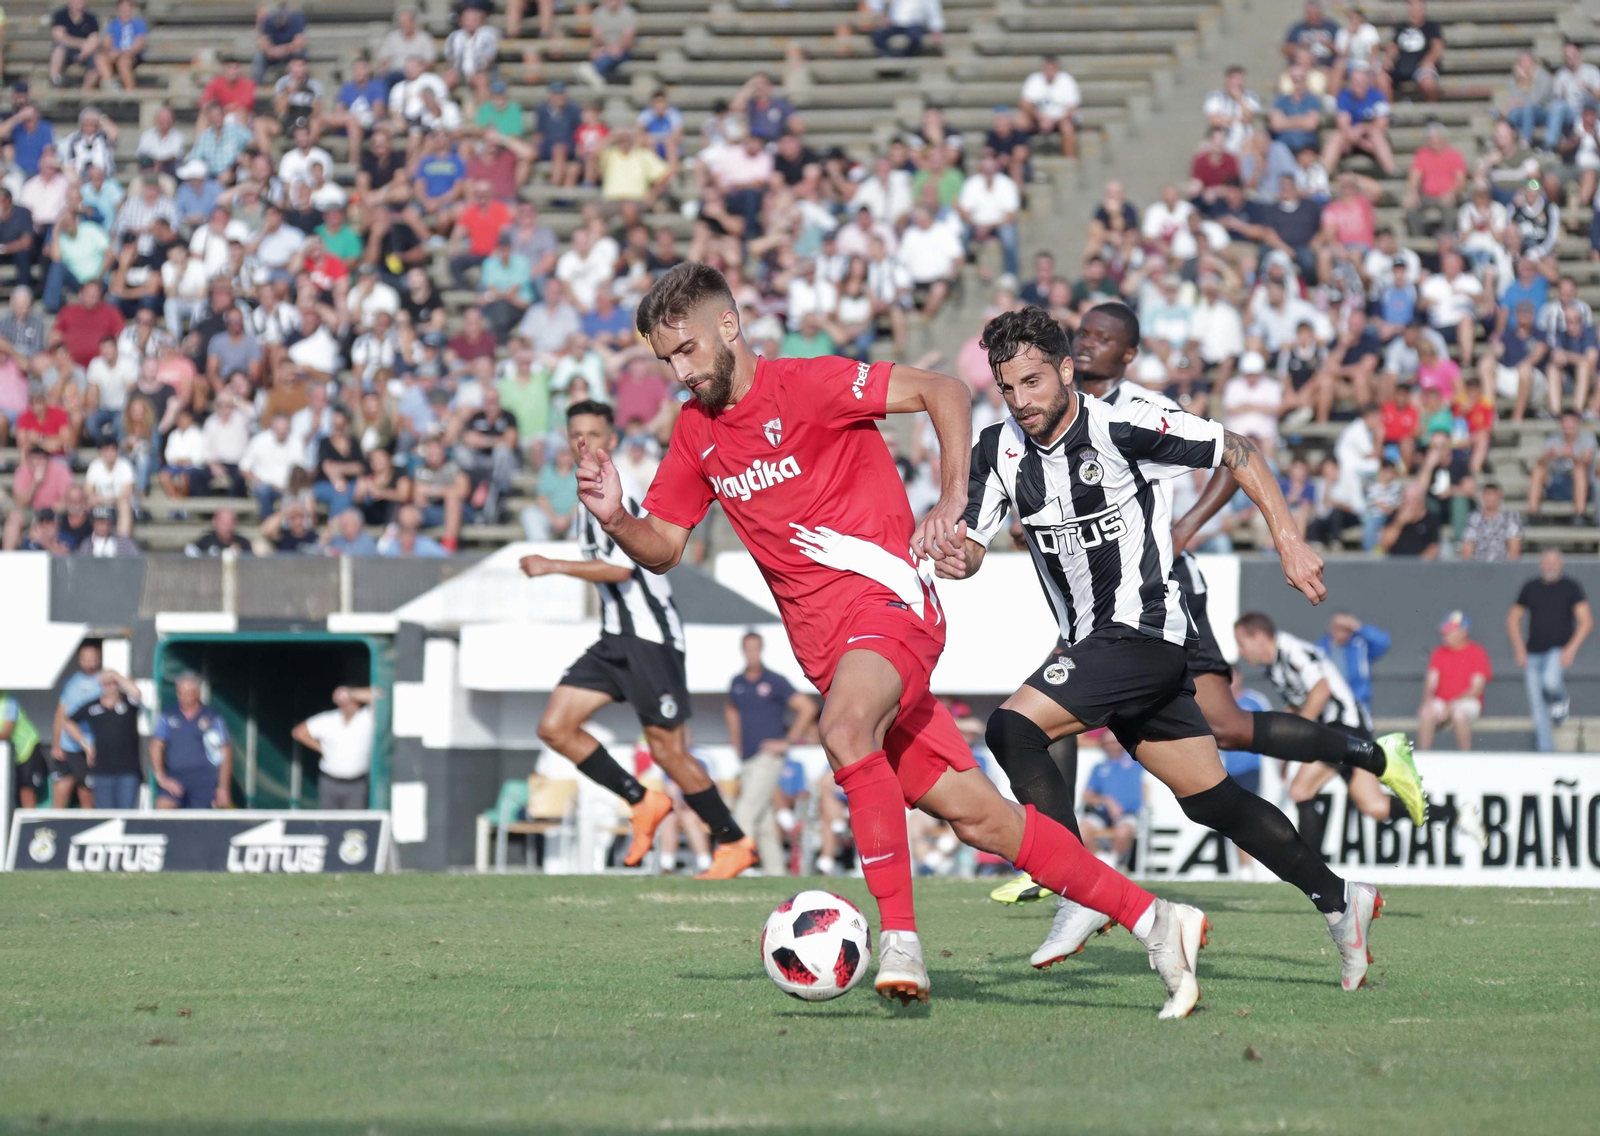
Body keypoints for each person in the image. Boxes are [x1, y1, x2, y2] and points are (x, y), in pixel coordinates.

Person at [585, 263, 1201, 1014]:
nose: (678, 372)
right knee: (983, 819)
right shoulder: (695, 433)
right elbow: (666, 546)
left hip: (890, 607)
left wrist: (952, 499)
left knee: (845, 732)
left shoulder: (809, 383)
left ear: (726, 326)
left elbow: (945, 390)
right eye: (665, 361)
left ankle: (899, 939)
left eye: (684, 351)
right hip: (830, 652)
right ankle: (1155, 918)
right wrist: (618, 518)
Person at [942, 304, 1406, 997]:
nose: (1023, 401)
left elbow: (1239, 448)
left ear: (1067, 371)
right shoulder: (997, 449)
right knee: (1213, 801)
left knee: (1012, 728)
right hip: (1099, 644)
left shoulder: (1123, 424)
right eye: (1008, 388)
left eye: (1034, 382)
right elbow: (975, 543)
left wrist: (1286, 538)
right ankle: (1341, 900)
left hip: (1147, 633)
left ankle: (1077, 890)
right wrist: (957, 556)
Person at [520, 399, 755, 878]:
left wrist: (552, 565)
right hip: (614, 640)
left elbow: (621, 568)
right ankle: (642, 800)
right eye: (575, 435)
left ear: (612, 442)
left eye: (594, 434)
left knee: (670, 751)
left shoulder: (617, 501)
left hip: (651, 639)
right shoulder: (585, 501)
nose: (584, 442)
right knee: (554, 727)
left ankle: (734, 843)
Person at [1234, 611, 1413, 852]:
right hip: (1342, 731)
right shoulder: (1274, 667)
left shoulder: (1292, 651)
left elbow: (1321, 690)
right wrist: (1283, 748)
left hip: (1344, 728)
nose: (1241, 652)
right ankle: (1453, 814)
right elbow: (1296, 704)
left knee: (1300, 791)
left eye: (1242, 643)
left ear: (1260, 636)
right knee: (1376, 806)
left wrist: (1297, 737)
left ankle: (1312, 876)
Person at [726, 630, 817, 876]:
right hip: (747, 758)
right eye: (748, 649)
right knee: (764, 820)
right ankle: (776, 872)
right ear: (743, 651)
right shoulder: (738, 682)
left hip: (768, 757)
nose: (752, 653)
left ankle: (738, 867)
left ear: (761, 650)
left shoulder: (775, 680)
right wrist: (736, 743)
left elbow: (807, 707)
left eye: (756, 648)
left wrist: (787, 742)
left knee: (744, 813)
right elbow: (732, 712)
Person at [1508, 549, 1591, 752]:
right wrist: (1519, 649)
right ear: (1540, 564)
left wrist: (1571, 650)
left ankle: (1561, 701)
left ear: (1561, 564)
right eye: (1546, 562)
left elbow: (1586, 621)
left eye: (1554, 562)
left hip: (1558, 650)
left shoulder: (1571, 587)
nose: (1550, 566)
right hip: (1532, 653)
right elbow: (1512, 619)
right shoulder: (1531, 587)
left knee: (1550, 680)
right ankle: (1547, 753)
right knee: (1538, 708)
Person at [150, 671, 231, 808]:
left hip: (204, 780)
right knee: (162, 809)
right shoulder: (168, 715)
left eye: (189, 693)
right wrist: (161, 777)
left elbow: (226, 751)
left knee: (198, 824)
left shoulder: (212, 716)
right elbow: (155, 745)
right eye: (181, 693)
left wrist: (223, 787)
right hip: (176, 777)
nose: (185, 697)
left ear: (197, 693)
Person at [63, 669, 142, 809]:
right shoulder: (93, 706)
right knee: (105, 814)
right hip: (102, 771)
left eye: (113, 683)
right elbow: (68, 722)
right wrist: (85, 744)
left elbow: (136, 693)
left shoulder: (128, 704)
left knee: (127, 814)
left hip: (128, 772)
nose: (110, 686)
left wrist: (116, 675)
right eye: (106, 683)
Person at [291, 685, 379, 809]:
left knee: (354, 824)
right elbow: (298, 732)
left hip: (357, 783)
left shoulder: (366, 718)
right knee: (329, 821)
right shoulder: (328, 719)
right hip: (330, 781)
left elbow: (380, 696)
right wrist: (320, 748)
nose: (347, 705)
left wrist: (350, 693)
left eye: (350, 702)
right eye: (344, 702)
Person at [50, 640, 102, 808]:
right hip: (69, 745)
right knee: (62, 787)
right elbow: (60, 714)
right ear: (80, 660)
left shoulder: (104, 682)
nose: (89, 663)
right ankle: (54, 826)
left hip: (91, 747)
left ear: (99, 658)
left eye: (93, 659)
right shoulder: (70, 683)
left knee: (86, 791)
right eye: (85, 659)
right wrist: (56, 743)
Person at [1078, 734, 1141, 866]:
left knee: (1123, 831)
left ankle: (1113, 862)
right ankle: (1102, 861)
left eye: (1114, 742)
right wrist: (1106, 801)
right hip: (1101, 814)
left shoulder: (1136, 764)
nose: (1111, 745)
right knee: (1081, 830)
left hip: (1127, 813)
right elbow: (1088, 795)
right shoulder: (1099, 767)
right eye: (1107, 743)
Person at [1315, 611, 1390, 718]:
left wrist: (1359, 627)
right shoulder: (1321, 649)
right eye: (1338, 627)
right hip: (1329, 705)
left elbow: (1383, 642)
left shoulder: (1359, 646)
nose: (1341, 632)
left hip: (1358, 703)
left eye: (1346, 628)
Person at [3, 687, 46, 808]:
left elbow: (6, 731)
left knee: (26, 789)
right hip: (8, 755)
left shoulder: (8, 700)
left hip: (27, 749)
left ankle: (29, 823)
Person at [1459, 482, 1522, 562]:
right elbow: (1467, 548)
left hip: (1502, 566)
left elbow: (1514, 549)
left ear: (1500, 496)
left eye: (1492, 495)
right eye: (1487, 494)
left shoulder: (1510, 518)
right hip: (1478, 567)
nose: (1489, 498)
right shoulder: (1474, 519)